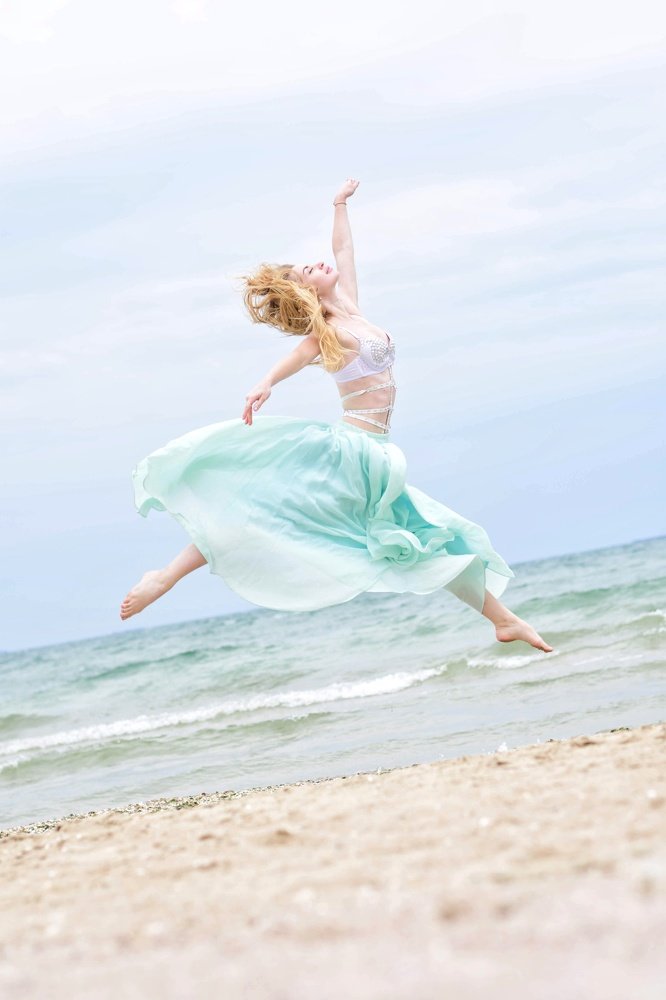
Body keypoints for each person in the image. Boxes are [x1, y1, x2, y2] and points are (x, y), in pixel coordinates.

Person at [120, 178, 553, 653]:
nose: (319, 264)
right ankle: (164, 578)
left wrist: (339, 204)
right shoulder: (326, 332)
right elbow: (297, 356)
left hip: (377, 456)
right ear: (307, 291)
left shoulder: (353, 310)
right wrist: (266, 383)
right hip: (348, 451)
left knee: (421, 539)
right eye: (309, 270)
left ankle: (504, 620)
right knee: (266, 509)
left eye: (313, 262)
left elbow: (343, 249)